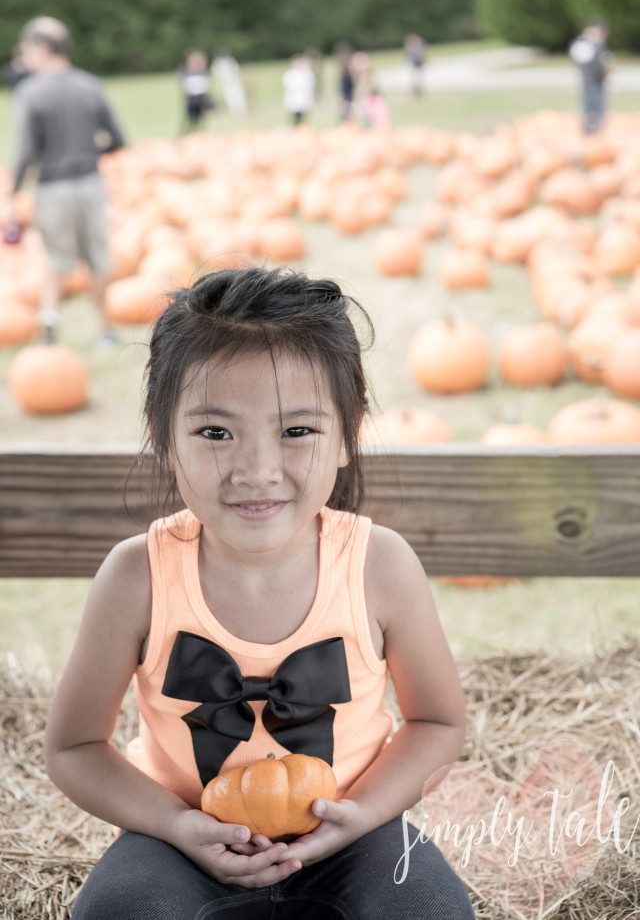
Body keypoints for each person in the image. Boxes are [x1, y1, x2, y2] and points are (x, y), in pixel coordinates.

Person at [45, 267, 475, 920]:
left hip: (353, 835)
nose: (257, 469)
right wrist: (174, 823)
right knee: (121, 909)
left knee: (427, 907)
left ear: (346, 435)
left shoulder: (379, 566)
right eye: (216, 433)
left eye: (296, 431)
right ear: (164, 438)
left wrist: (360, 816)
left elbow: (438, 723)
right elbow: (74, 747)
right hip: (180, 837)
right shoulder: (137, 577)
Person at [10, 16, 125, 346]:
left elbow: (27, 152)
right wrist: (89, 152)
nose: (24, 58)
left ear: (42, 48)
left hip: (52, 189)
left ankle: (49, 328)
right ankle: (105, 331)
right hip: (90, 184)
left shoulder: (30, 92)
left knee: (56, 260)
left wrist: (13, 191)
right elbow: (118, 139)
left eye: (26, 50)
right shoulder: (91, 85)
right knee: (98, 260)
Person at [568, 17, 612, 135]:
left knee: (597, 107)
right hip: (591, 81)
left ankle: (595, 130)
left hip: (595, 81)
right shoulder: (585, 43)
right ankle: (591, 131)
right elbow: (590, 63)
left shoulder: (594, 43)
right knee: (592, 108)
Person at [179, 49, 215, 133]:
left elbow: (206, 85)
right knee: (191, 117)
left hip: (200, 96)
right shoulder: (187, 73)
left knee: (201, 116)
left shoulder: (202, 73)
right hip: (192, 97)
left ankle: (200, 132)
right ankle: (190, 132)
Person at [211, 48, 247, 116]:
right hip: (226, 83)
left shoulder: (230, 60)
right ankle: (234, 110)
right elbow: (216, 73)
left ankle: (242, 109)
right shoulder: (217, 63)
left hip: (234, 81)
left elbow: (236, 69)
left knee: (238, 94)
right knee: (230, 96)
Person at [282, 55, 316, 126]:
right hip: (294, 100)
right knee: (294, 117)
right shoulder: (290, 74)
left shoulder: (304, 74)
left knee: (302, 118)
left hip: (302, 100)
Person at [404, 34, 428, 98]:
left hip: (417, 64)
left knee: (417, 79)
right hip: (415, 64)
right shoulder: (415, 47)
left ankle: (418, 93)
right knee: (417, 79)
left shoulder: (413, 47)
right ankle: (417, 93)